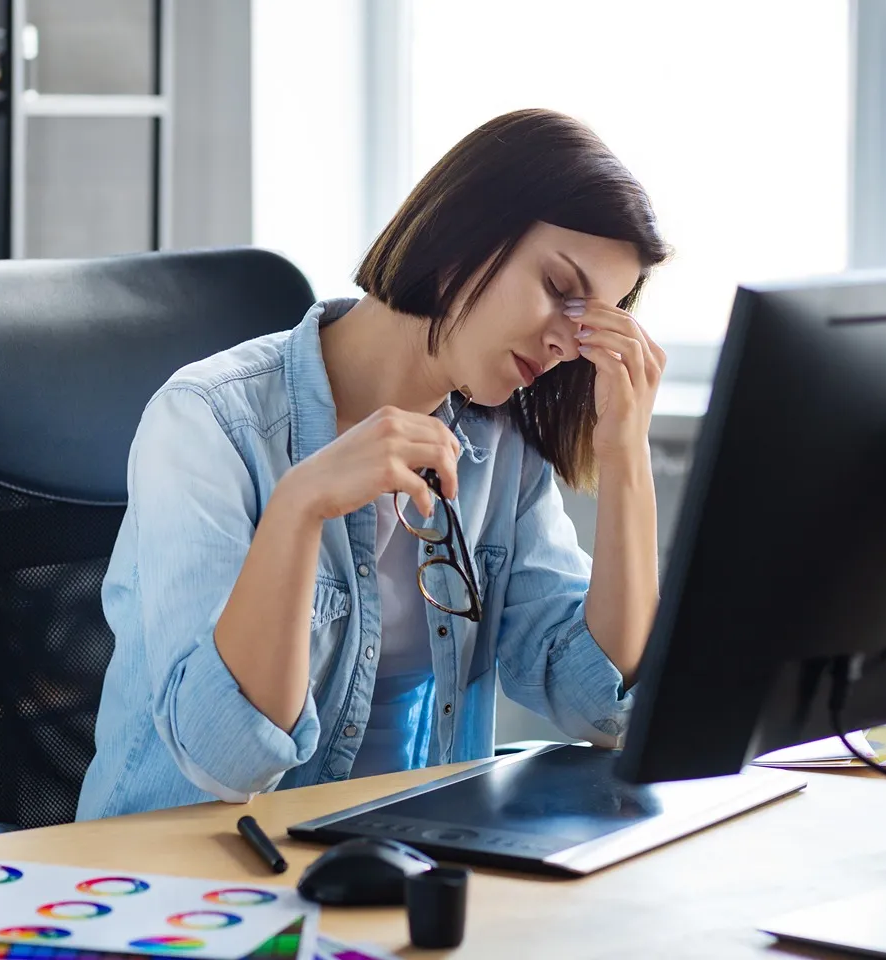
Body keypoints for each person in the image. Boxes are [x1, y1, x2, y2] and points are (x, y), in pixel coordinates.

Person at [76, 108, 671, 820]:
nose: (565, 344)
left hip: (403, 863)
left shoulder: (501, 447)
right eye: (557, 288)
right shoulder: (208, 421)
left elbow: (599, 707)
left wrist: (625, 458)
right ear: (467, 234)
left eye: (593, 321)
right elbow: (227, 762)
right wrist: (301, 508)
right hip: (185, 885)